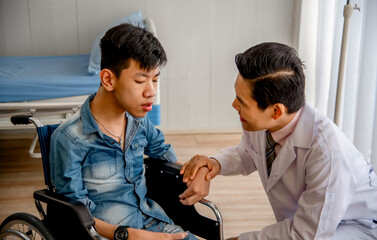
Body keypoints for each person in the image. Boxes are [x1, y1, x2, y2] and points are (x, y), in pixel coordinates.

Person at [179, 42, 377, 240]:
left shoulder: (328, 155)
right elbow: (249, 152)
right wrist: (215, 163)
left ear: (276, 111)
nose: (234, 104)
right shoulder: (264, 121)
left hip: (357, 227)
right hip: (311, 222)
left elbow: (305, 236)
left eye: (242, 101)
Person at [50, 23, 202, 240]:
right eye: (140, 81)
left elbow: (165, 155)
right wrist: (128, 235)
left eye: (156, 80)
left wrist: (198, 172)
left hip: (153, 222)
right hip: (108, 235)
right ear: (109, 79)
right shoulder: (70, 139)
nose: (151, 92)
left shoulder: (139, 122)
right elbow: (76, 213)